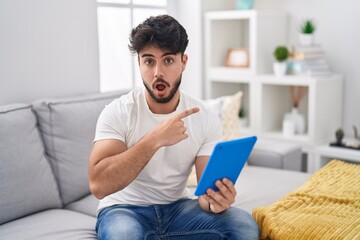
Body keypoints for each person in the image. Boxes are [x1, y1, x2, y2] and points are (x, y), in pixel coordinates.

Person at [88, 14, 259, 240]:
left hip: (178, 209)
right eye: (149, 61)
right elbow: (98, 185)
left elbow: (206, 194)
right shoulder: (118, 112)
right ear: (139, 63)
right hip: (124, 209)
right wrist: (155, 139)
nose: (158, 71)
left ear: (183, 62)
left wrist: (216, 202)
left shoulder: (204, 117)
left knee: (243, 225)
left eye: (168, 60)